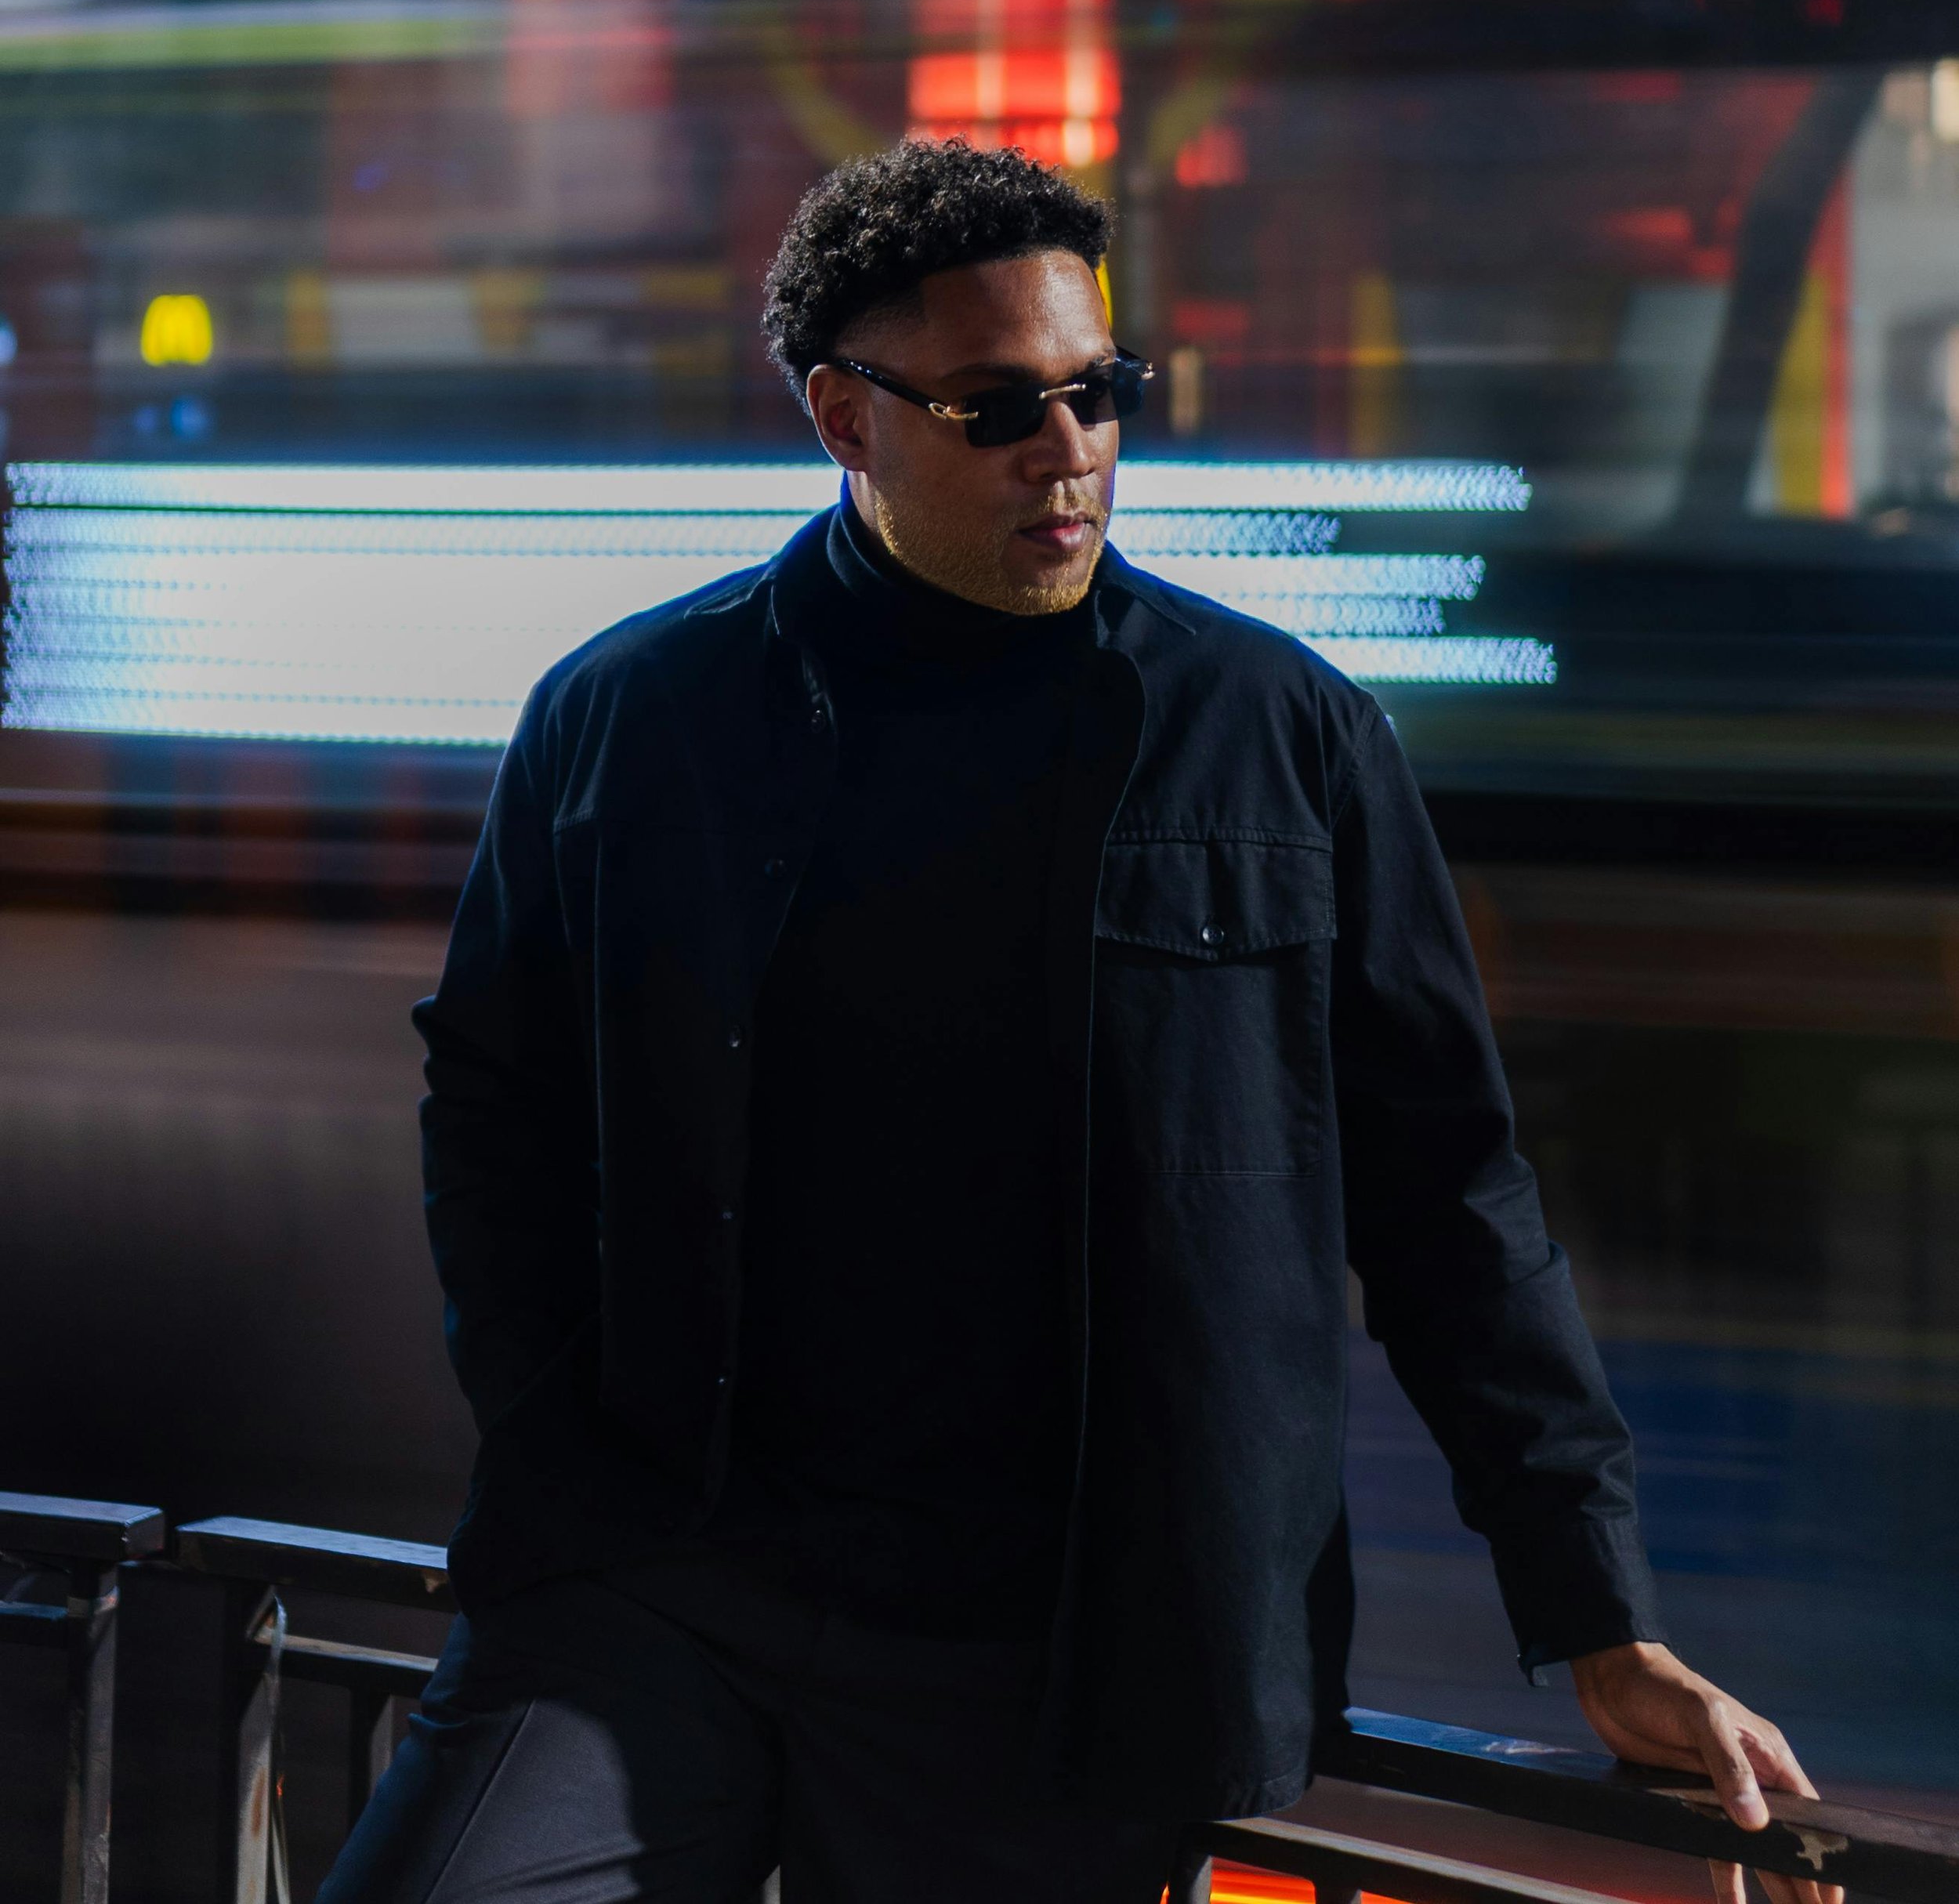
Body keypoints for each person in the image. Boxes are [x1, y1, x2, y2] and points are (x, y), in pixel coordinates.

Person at [323, 138, 1833, 1904]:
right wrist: (551, 1439)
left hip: (1053, 1654)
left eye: (1097, 391)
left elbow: (1450, 1201)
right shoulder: (625, 717)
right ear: (843, 419)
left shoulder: (1282, 736)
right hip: (654, 1581)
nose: (1069, 451)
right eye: (995, 410)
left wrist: (1593, 1615)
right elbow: (492, 1105)